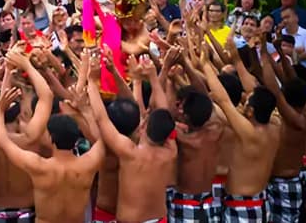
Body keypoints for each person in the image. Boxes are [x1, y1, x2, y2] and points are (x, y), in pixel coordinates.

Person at [0, 82, 104, 223]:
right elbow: (100, 139)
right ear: (77, 137)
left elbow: (3, 141)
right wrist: (83, 113)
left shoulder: (39, 166)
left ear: (51, 138)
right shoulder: (88, 164)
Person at [87, 52, 177, 223]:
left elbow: (101, 119)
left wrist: (91, 81)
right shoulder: (171, 151)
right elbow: (165, 114)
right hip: (160, 220)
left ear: (143, 127)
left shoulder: (129, 153)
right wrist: (153, 77)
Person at [199, 52, 281, 222]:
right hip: (260, 202)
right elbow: (258, 94)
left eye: (247, 101)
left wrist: (205, 64)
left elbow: (223, 101)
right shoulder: (275, 126)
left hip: (243, 207)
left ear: (251, 111)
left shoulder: (248, 132)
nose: (244, 99)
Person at [0, 46, 53, 222]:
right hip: (26, 209)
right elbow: (46, 96)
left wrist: (8, 70)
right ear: (20, 116)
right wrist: (27, 65)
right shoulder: (31, 139)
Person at [257, 41, 306, 223]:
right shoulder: (300, 112)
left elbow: (275, 90)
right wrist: (277, 50)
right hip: (272, 181)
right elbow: (289, 78)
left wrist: (265, 56)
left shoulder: (300, 121)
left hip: (287, 182)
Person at [169, 91, 225, 223]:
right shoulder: (217, 130)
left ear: (186, 116)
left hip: (185, 204)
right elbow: (210, 108)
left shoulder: (184, 140)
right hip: (209, 204)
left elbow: (162, 113)